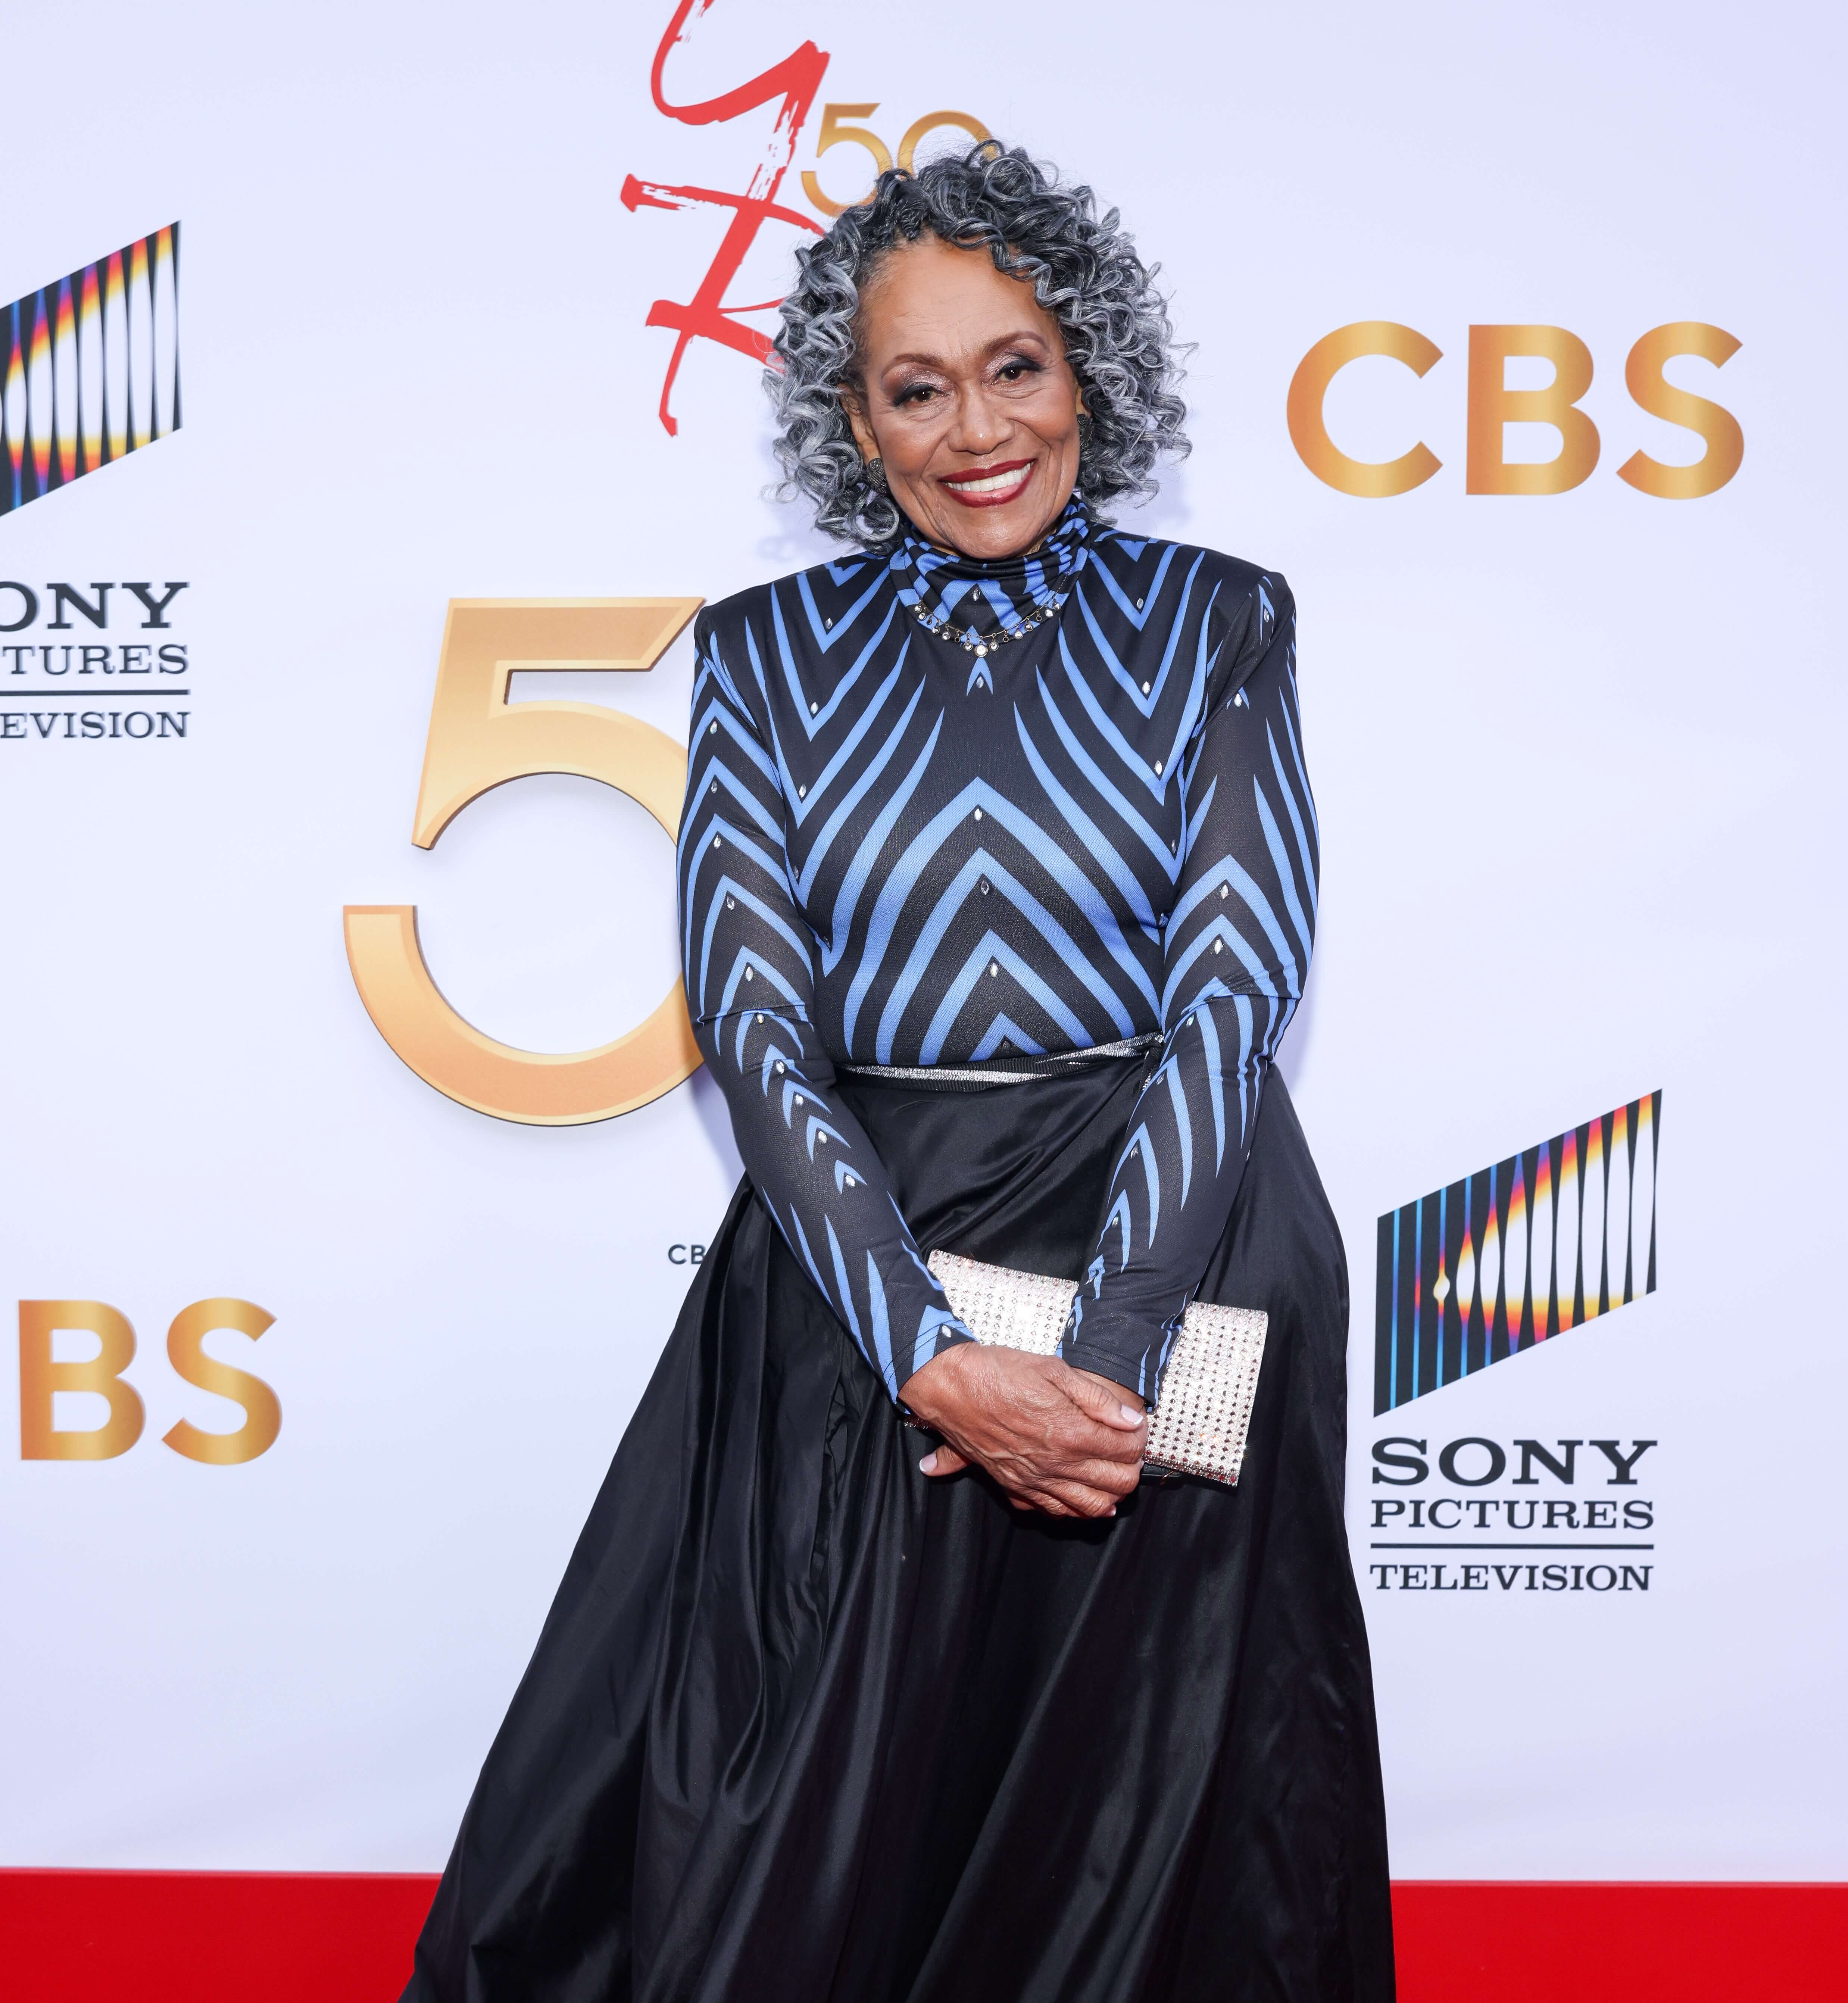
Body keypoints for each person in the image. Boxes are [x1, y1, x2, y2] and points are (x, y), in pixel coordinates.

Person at [405, 142, 1392, 2003]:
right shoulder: (766, 654)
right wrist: (934, 1351)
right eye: (914, 387)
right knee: (784, 1805)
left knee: (1157, 1807)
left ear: (1087, 366)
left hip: (1172, 1234)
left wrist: (1095, 1364)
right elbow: (753, 1024)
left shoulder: (1217, 616)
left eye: (1014, 365)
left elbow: (1233, 978)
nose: (973, 429)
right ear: (851, 424)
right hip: (869, 1273)